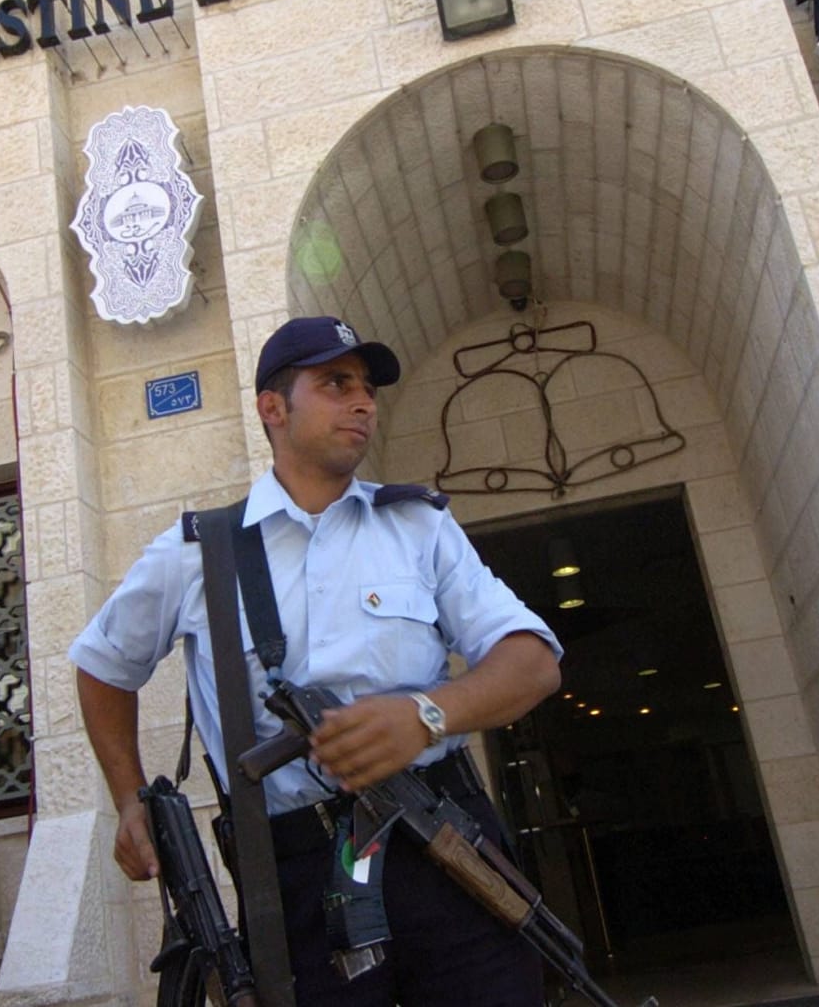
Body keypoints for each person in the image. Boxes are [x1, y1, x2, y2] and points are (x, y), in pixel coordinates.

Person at [71, 315, 564, 1005]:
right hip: (293, 877)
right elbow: (101, 666)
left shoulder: (417, 527)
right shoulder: (197, 554)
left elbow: (533, 661)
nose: (362, 401)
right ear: (273, 408)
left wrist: (425, 716)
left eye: (366, 387)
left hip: (442, 844)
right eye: (336, 383)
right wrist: (128, 799)